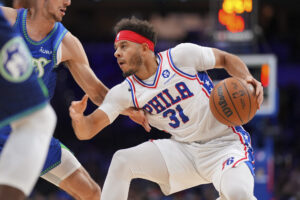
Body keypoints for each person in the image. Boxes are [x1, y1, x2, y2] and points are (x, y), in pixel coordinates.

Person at [70, 16, 264, 200]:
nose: (117, 53)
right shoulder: (124, 93)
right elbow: (88, 130)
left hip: (224, 145)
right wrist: (79, 119)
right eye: (116, 48)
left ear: (145, 48)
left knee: (239, 194)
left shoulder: (181, 57)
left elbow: (225, 59)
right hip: (183, 150)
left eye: (124, 46)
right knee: (122, 161)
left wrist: (246, 78)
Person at [1, 1, 148, 199]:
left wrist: (130, 110)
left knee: (92, 193)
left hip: (33, 132)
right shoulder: (7, 19)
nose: (68, 2)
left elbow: (97, 92)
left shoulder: (66, 42)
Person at [0, 0, 56, 199]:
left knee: (91, 190)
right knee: (40, 119)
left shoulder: (64, 39)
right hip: (18, 119)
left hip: (19, 129)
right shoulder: (12, 17)